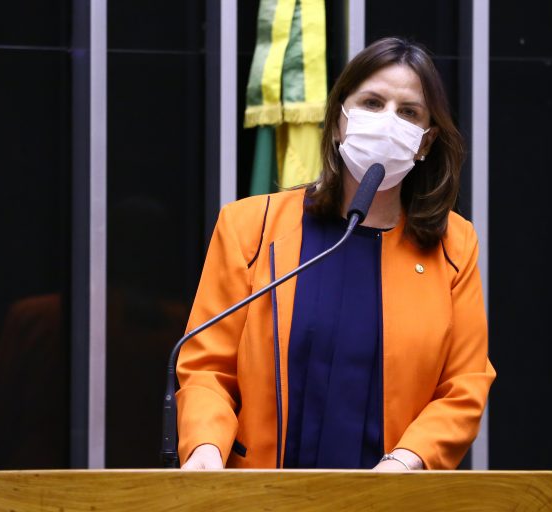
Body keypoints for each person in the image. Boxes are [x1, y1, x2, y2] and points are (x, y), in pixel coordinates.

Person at [177, 37, 495, 471]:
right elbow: (208, 367)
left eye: (408, 112)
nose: (388, 122)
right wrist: (205, 450)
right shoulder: (249, 227)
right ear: (339, 119)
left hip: (387, 498)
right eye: (372, 102)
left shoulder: (454, 245)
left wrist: (405, 464)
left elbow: (464, 386)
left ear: (425, 141)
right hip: (259, 496)